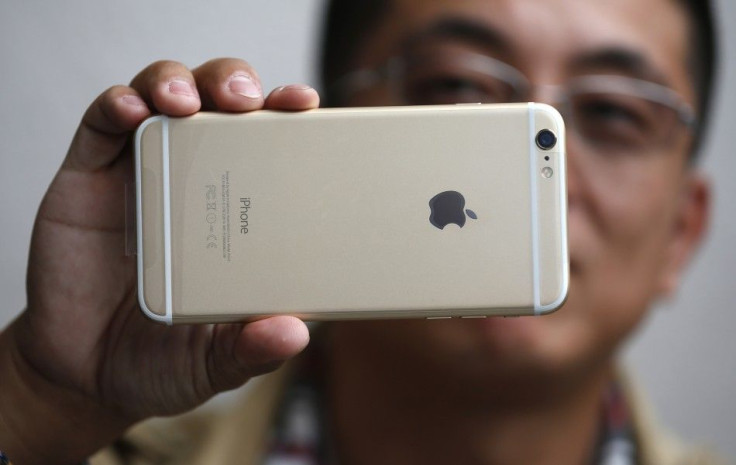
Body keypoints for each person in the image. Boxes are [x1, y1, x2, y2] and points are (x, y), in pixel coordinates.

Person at [0, 0, 725, 464]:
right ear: (326, 120)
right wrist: (41, 398)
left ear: (681, 235)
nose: (544, 182)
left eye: (614, 113)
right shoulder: (52, 440)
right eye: (456, 86)